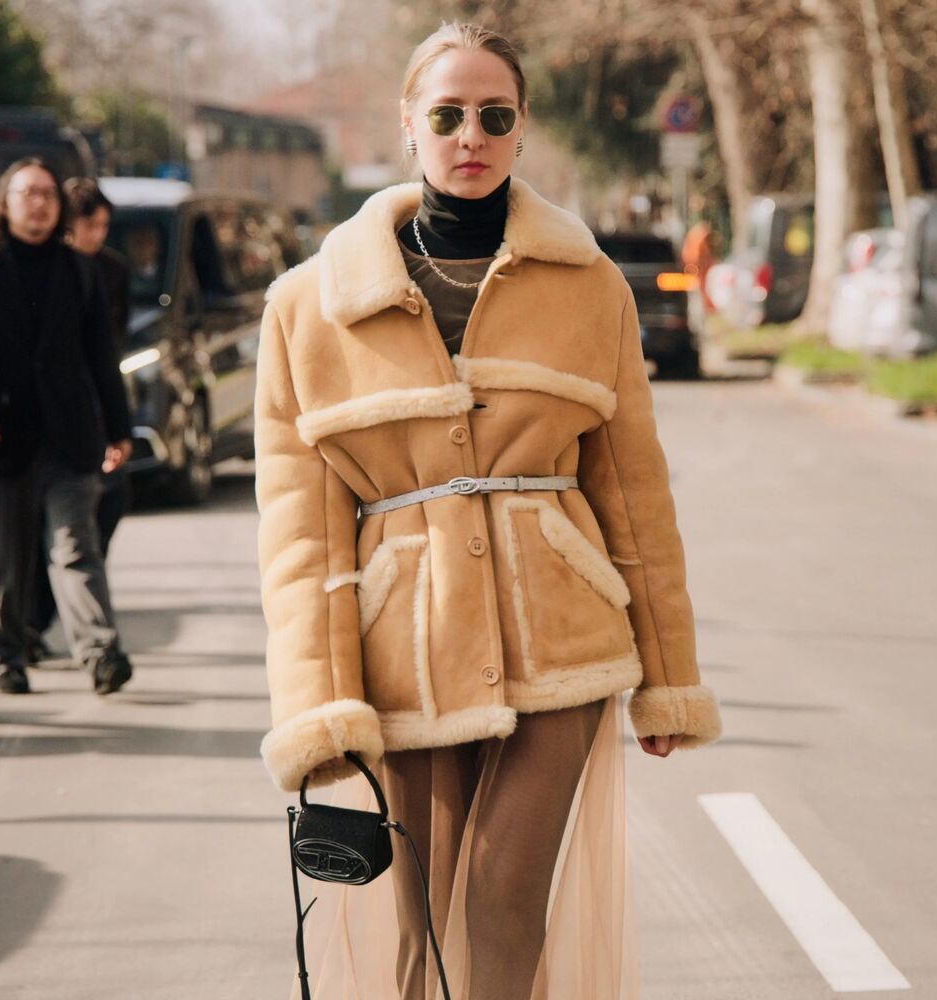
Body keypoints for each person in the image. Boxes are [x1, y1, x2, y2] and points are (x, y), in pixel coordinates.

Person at [255, 23, 722, 1000]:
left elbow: (633, 492)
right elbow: (298, 533)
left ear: (518, 130)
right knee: (421, 929)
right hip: (403, 646)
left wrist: (668, 676)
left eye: (494, 116)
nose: (471, 135)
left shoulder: (591, 286)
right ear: (410, 127)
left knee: (504, 902)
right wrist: (317, 700)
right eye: (448, 115)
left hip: (563, 643)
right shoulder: (308, 306)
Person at [0, 158, 134, 696]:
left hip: (69, 438)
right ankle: (7, 656)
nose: (38, 202)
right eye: (27, 193)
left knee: (75, 549)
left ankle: (100, 652)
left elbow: (100, 356)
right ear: (7, 201)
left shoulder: (79, 269)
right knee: (0, 562)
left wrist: (118, 427)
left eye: (47, 193)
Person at [25, 177, 133, 661]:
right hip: (41, 422)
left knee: (98, 519)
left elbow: (114, 348)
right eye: (92, 225)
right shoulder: (40, 270)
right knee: (39, 536)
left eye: (105, 226)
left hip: (93, 414)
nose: (99, 235)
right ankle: (30, 624)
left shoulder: (110, 271)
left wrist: (118, 424)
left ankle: (69, 622)